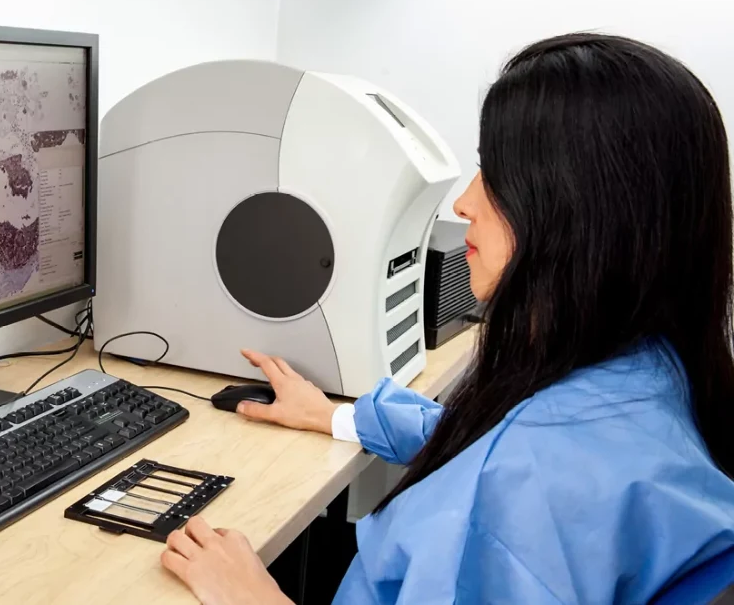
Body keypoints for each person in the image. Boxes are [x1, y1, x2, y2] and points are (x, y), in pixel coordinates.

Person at [159, 33, 734, 604]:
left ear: (580, 210)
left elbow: (513, 473)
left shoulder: (529, 488)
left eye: (496, 175)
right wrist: (338, 418)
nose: (463, 204)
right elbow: (491, 443)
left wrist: (255, 598)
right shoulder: (652, 371)